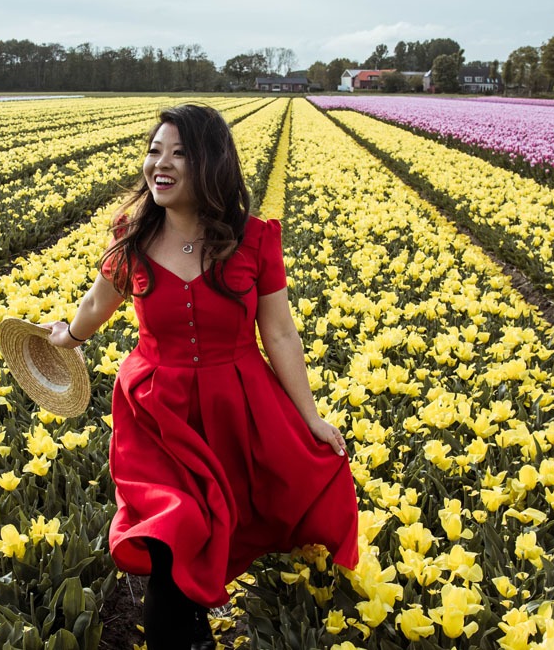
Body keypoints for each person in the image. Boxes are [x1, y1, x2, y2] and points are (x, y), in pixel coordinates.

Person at [45, 103, 359, 650]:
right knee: (173, 528)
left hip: (234, 409)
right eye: (154, 151)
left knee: (214, 528)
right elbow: (99, 303)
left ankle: (191, 632)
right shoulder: (134, 236)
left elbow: (280, 334)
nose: (159, 165)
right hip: (155, 410)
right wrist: (66, 338)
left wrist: (309, 417)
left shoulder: (253, 239)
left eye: (179, 154)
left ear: (211, 163)